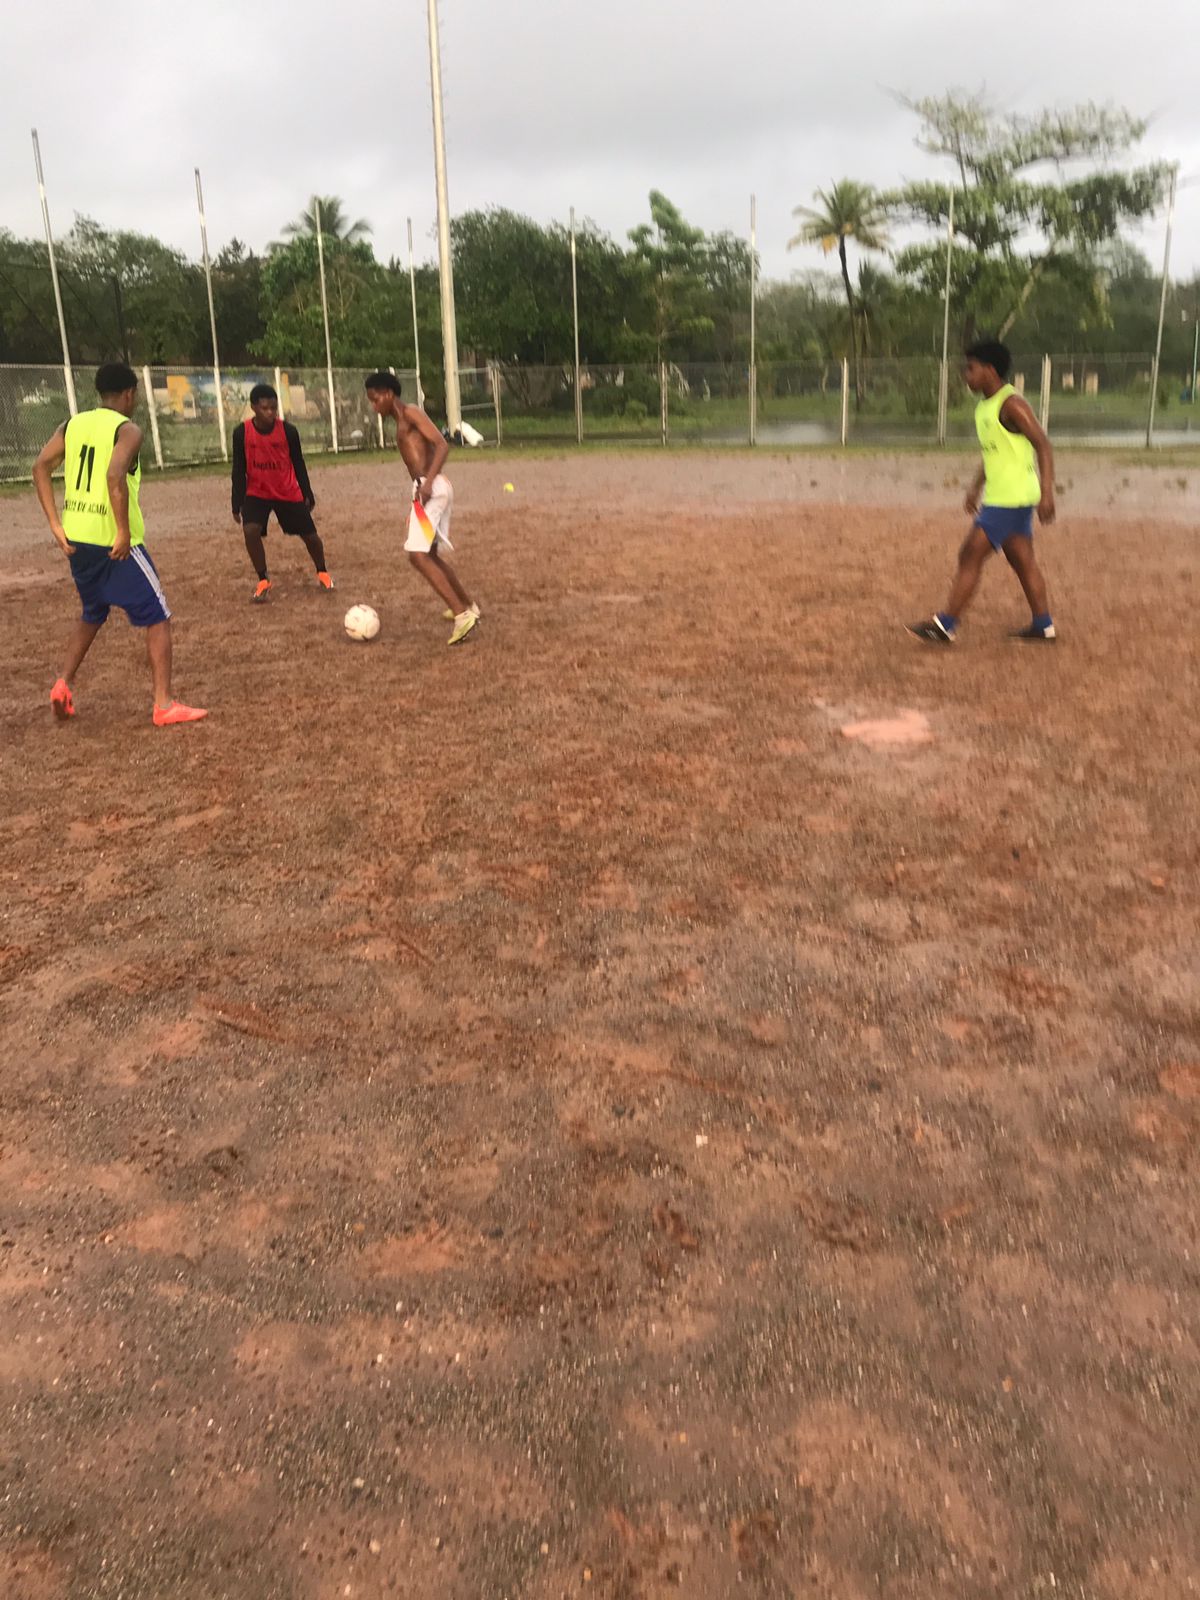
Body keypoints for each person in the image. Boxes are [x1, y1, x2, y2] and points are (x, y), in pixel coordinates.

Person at [32, 362, 207, 727]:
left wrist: (54, 523)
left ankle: (63, 684)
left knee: (93, 611)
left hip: (77, 537)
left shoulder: (72, 424)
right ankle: (163, 705)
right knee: (158, 616)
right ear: (129, 394)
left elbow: (40, 466)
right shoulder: (127, 430)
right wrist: (123, 532)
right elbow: (115, 475)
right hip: (111, 540)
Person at [908, 339, 1057, 645]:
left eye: (971, 368)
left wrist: (1047, 493)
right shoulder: (984, 408)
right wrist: (975, 488)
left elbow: (1042, 444)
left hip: (1011, 498)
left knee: (970, 552)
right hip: (1004, 496)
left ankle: (945, 625)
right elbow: (994, 454)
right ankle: (1043, 626)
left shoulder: (1012, 404)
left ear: (990, 370)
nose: (966, 375)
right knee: (1022, 560)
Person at [363, 372, 479, 644]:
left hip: (433, 488)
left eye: (375, 399)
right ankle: (468, 606)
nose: (374, 406)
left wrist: (427, 485)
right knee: (431, 555)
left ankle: (462, 616)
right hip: (425, 488)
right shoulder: (400, 421)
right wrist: (418, 492)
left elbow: (442, 445)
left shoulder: (411, 413)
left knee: (417, 555)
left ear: (389, 393)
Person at [231, 383, 332, 603]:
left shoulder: (288, 431)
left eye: (274, 408)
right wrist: (236, 501)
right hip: (257, 492)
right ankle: (263, 579)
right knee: (250, 531)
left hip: (286, 491)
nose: (270, 413)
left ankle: (322, 571)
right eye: (265, 408)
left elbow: (298, 462)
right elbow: (238, 468)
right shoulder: (241, 433)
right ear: (253, 407)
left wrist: (307, 492)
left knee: (311, 537)